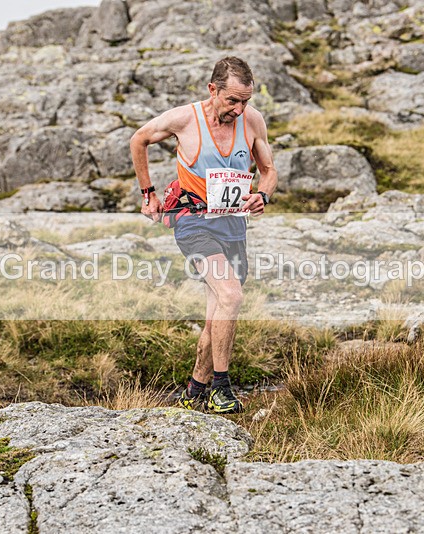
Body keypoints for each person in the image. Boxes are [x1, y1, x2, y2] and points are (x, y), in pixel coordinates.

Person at [129, 56, 277, 414]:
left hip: (232, 224)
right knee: (231, 295)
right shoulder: (185, 118)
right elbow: (139, 139)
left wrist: (263, 195)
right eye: (233, 100)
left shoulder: (252, 121)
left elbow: (269, 171)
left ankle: (195, 388)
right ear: (213, 90)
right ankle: (222, 389)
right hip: (193, 222)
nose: (240, 109)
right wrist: (148, 193)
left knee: (218, 314)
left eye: (246, 100)